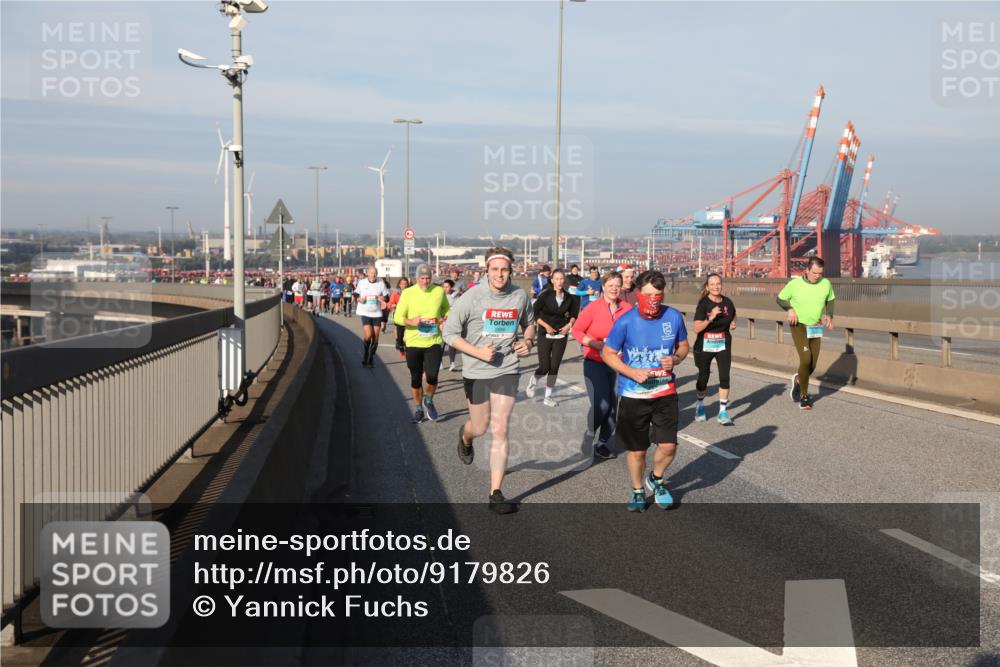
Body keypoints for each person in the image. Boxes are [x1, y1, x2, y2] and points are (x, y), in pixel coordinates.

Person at [442, 247, 535, 515]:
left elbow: (529, 323)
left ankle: (495, 493)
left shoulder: (519, 296)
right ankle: (465, 435)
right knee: (480, 427)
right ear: (486, 270)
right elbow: (449, 333)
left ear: (511, 271)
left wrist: (527, 340)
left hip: (507, 368)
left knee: (501, 428)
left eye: (504, 270)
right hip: (477, 371)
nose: (499, 275)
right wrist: (477, 352)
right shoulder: (471, 297)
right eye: (494, 270)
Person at [601, 270, 689, 512]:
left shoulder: (673, 317)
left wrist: (676, 358)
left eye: (658, 295)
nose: (653, 300)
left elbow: (683, 346)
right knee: (638, 451)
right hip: (633, 395)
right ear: (638, 294)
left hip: (665, 392)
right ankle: (638, 490)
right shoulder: (625, 322)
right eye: (648, 295)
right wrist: (630, 371)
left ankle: (657, 479)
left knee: (669, 446)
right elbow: (607, 353)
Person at [572, 271, 631, 460]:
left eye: (617, 285)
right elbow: (577, 331)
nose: (614, 288)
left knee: (614, 408)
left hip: (618, 364)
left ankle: (603, 443)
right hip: (595, 362)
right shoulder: (592, 307)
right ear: (603, 286)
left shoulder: (628, 309)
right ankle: (589, 435)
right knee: (602, 405)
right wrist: (593, 343)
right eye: (611, 285)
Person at [776, 257, 835, 410]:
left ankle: (798, 380)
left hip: (815, 326)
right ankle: (804, 396)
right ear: (807, 270)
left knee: (813, 364)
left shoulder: (825, 284)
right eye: (814, 273)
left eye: (820, 273)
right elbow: (780, 299)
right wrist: (789, 309)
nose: (817, 276)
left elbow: (830, 299)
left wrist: (829, 314)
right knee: (806, 358)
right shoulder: (795, 284)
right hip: (799, 325)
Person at [394, 265, 450, 423]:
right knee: (416, 378)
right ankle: (418, 409)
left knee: (432, 376)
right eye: (422, 278)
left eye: (428, 278)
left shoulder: (438, 292)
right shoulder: (408, 293)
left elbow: (447, 309)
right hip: (413, 342)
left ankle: (429, 400)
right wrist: (411, 321)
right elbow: (398, 316)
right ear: (416, 278)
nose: (425, 282)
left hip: (434, 341)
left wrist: (444, 320)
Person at [528, 268, 579, 407]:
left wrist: (569, 326)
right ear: (552, 280)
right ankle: (534, 380)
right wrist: (546, 326)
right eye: (556, 279)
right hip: (545, 333)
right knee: (545, 367)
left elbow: (574, 314)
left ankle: (548, 397)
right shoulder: (545, 295)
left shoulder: (570, 297)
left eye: (562, 279)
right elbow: (535, 313)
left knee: (554, 367)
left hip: (561, 334)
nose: (559, 281)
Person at [692, 273, 737, 425]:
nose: (716, 286)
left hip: (723, 343)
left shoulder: (727, 302)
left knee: (724, 376)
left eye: (718, 283)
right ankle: (700, 404)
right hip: (705, 344)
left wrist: (732, 323)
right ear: (707, 287)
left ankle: (723, 412)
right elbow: (696, 328)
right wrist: (710, 318)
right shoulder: (703, 304)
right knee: (703, 376)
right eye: (712, 284)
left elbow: (733, 314)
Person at [354, 265, 390, 368]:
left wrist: (381, 298)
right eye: (371, 273)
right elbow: (356, 294)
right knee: (368, 335)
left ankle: (371, 357)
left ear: (377, 274)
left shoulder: (381, 283)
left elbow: (387, 298)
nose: (373, 275)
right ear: (368, 273)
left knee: (375, 338)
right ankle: (366, 353)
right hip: (365, 312)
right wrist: (359, 299)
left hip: (377, 313)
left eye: (374, 273)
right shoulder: (362, 282)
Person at [442, 279, 460, 371]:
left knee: (452, 342)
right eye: (444, 286)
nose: (445, 288)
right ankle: (440, 363)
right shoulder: (440, 296)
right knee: (442, 343)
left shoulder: (456, 296)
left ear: (451, 287)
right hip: (443, 322)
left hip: (453, 322)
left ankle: (452, 363)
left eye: (447, 286)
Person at [390, 277, 410, 360]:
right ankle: (400, 347)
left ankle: (407, 349)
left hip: (408, 315)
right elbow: (391, 303)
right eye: (402, 284)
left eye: (405, 284)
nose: (404, 285)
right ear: (399, 284)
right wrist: (393, 305)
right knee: (400, 334)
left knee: (407, 334)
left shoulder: (411, 292)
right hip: (398, 315)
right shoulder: (396, 293)